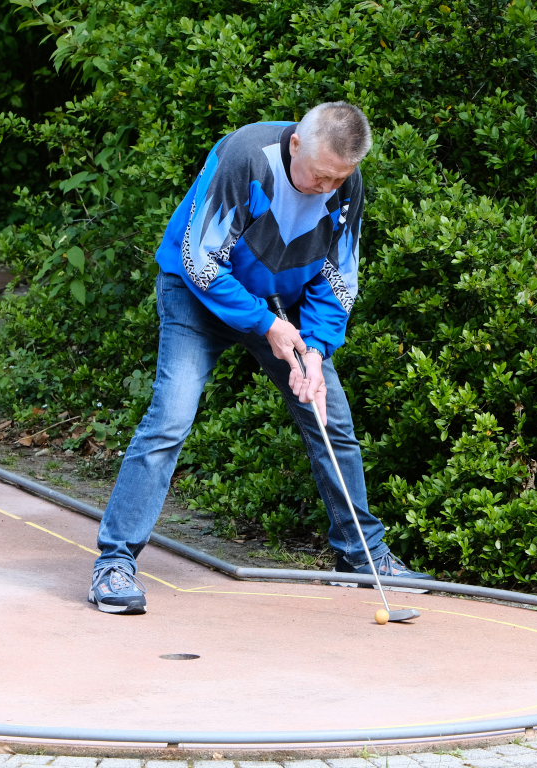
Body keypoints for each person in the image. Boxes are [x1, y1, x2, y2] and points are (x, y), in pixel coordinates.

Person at [89, 101, 432, 614]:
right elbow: (201, 260)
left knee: (330, 418)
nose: (327, 187)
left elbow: (338, 277)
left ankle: (361, 555)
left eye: (339, 179)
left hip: (280, 305)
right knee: (170, 420)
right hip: (199, 297)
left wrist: (316, 349)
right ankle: (114, 563)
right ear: (296, 144)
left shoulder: (345, 184)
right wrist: (266, 324)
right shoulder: (246, 156)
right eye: (320, 175)